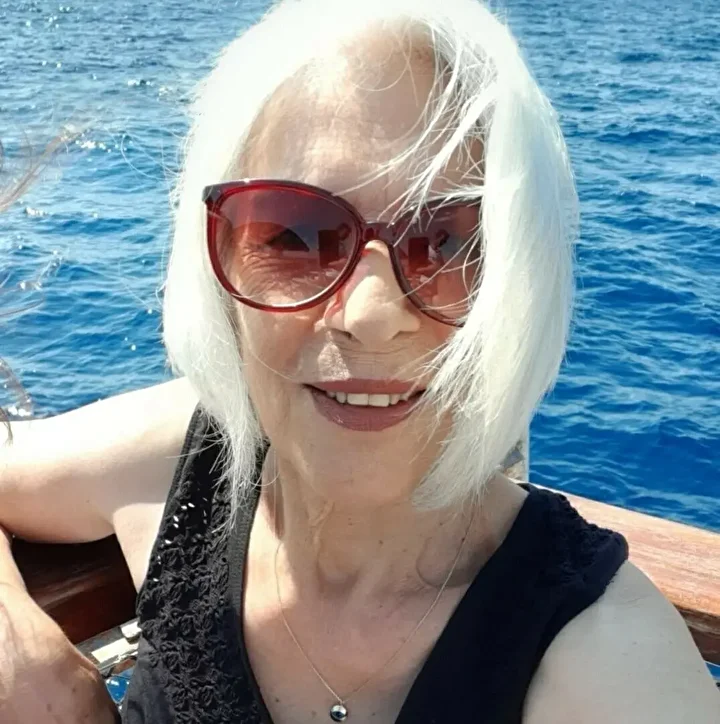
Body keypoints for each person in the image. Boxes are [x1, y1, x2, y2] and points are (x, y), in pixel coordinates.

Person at [1, 0, 718, 722]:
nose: (371, 314)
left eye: (448, 240)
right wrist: (17, 643)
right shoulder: (181, 458)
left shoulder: (611, 670)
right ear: (215, 265)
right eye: (292, 235)